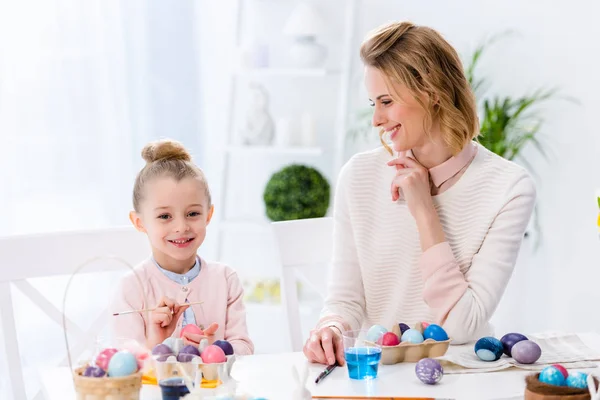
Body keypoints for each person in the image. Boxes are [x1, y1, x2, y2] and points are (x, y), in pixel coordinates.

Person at [304, 21, 536, 366]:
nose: (376, 120)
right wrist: (332, 327)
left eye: (386, 101)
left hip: (461, 380)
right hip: (378, 379)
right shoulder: (359, 176)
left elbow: (462, 326)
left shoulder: (509, 188)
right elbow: (345, 300)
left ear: (432, 92)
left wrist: (425, 212)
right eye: (373, 103)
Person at [111, 139, 254, 355]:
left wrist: (212, 349)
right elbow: (128, 366)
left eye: (193, 213)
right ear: (139, 222)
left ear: (209, 215)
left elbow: (244, 347)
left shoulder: (225, 280)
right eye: (165, 216)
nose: (181, 227)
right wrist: (154, 342)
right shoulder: (131, 288)